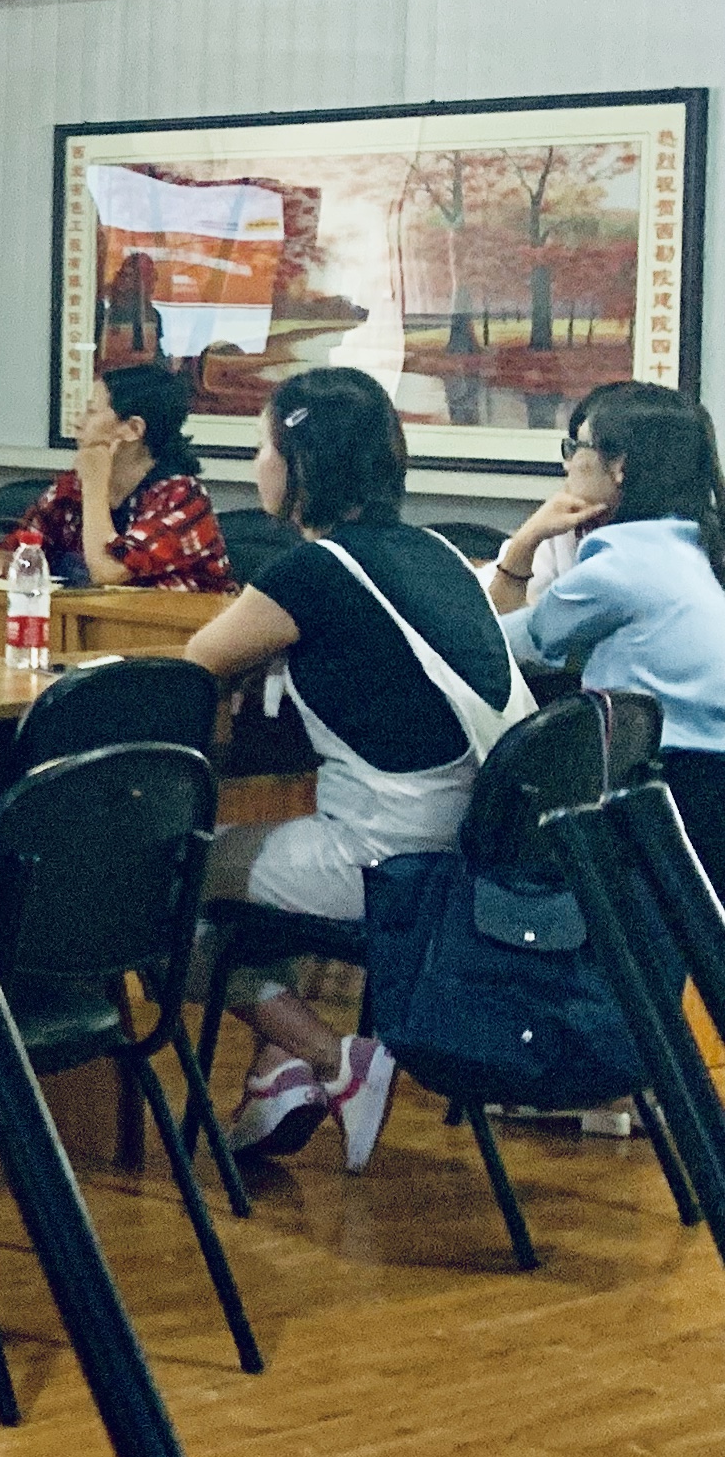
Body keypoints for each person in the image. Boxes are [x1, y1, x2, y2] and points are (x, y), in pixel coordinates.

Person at [183, 365, 525, 1169]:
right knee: (256, 877)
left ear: (298, 463)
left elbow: (193, 668)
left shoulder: (312, 571)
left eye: (262, 446)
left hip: (387, 861)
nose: (255, 466)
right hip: (476, 852)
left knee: (163, 881)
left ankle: (332, 1056)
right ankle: (280, 1074)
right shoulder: (438, 551)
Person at [494, 381, 725, 865]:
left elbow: (502, 645)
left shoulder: (621, 567)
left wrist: (527, 540)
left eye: (575, 447)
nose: (567, 464)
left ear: (619, 466)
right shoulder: (693, 547)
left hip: (673, 793)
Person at [7, 362, 235, 591]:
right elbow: (23, 546)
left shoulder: (182, 498)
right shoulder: (70, 488)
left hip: (173, 615)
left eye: (92, 412)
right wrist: (5, 558)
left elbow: (107, 571)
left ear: (133, 429)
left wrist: (95, 484)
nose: (78, 423)